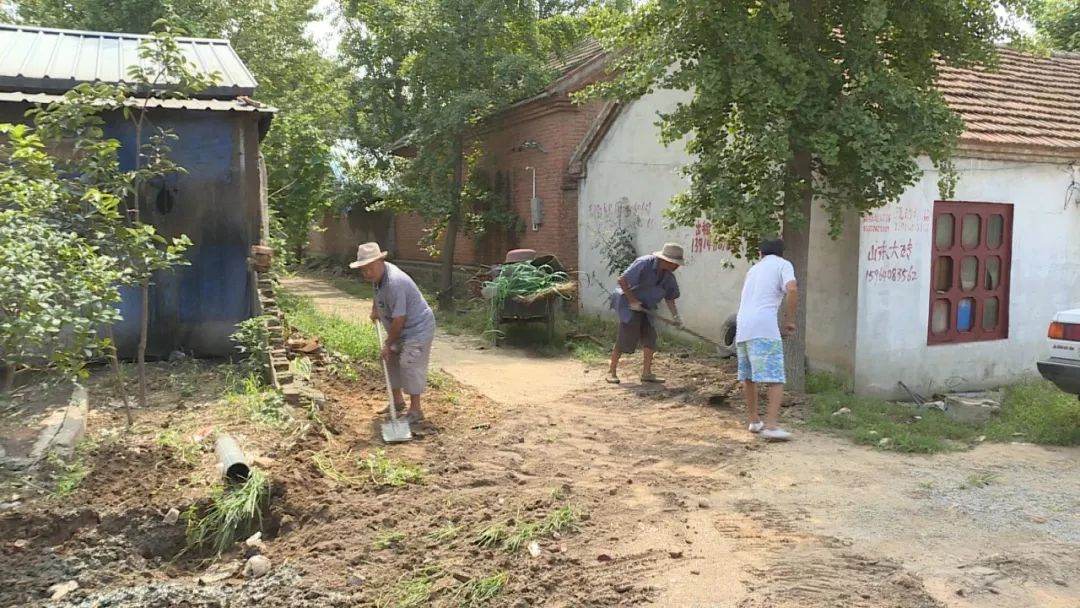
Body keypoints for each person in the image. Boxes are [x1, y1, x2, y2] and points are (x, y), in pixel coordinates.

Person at [350, 242, 436, 423]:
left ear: (381, 260)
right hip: (400, 329)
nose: (367, 273)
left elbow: (399, 320)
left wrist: (389, 344)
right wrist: (375, 308)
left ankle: (415, 410)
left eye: (370, 268)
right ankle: (397, 402)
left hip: (417, 328)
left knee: (409, 362)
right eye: (363, 270)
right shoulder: (378, 277)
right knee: (389, 359)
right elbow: (377, 292)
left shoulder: (395, 282)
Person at [735, 238, 798, 441]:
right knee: (775, 378)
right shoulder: (783, 264)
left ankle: (754, 421)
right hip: (764, 326)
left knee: (749, 376)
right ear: (781, 252)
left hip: (743, 326)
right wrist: (790, 320)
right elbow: (792, 288)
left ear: (760, 253)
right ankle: (771, 426)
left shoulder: (753, 270)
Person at [607, 243, 685, 384]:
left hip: (647, 305)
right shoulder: (644, 263)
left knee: (650, 337)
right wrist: (632, 301)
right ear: (665, 260)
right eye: (675, 263)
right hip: (628, 301)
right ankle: (611, 371)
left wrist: (676, 317)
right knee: (627, 337)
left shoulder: (668, 277)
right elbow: (622, 280)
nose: (677, 266)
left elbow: (670, 298)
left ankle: (647, 373)